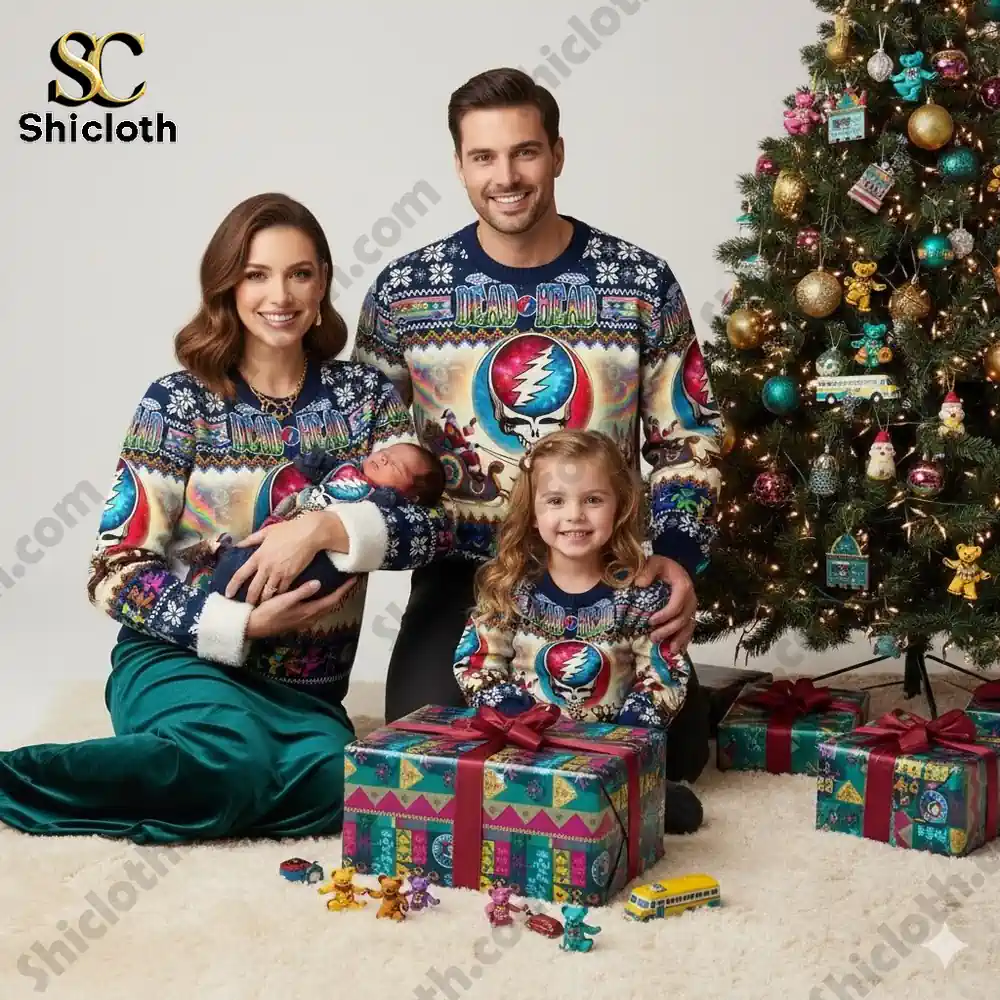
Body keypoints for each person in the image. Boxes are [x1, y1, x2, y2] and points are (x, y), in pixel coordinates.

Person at [0, 192, 451, 844]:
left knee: (344, 785)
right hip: (182, 661)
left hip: (306, 690)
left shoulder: (364, 399)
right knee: (230, 760)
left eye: (299, 273)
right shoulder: (177, 403)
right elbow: (112, 570)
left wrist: (323, 528)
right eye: (256, 274)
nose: (280, 295)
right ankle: (17, 778)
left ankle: (197, 779)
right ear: (227, 286)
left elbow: (431, 530)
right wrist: (241, 624)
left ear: (322, 281)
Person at [354, 67, 722, 786]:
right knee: (437, 742)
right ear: (459, 165)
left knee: (675, 755)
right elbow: (367, 447)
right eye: (484, 157)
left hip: (604, 574)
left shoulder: (639, 284)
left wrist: (678, 554)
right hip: (466, 576)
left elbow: (690, 435)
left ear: (557, 153)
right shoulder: (404, 293)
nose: (507, 176)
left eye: (525, 152)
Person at [453, 430, 704, 833]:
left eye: (593, 500)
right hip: (528, 747)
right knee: (478, 797)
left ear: (619, 507)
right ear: (533, 513)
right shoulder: (510, 590)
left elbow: (664, 670)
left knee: (679, 813)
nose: (574, 515)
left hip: (611, 751)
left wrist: (629, 735)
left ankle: (637, 795)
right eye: (556, 501)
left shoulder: (641, 595)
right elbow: (477, 661)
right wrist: (515, 716)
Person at [207, 441, 446, 602]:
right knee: (253, 553)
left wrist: (328, 528)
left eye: (395, 465)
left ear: (410, 496)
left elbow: (433, 529)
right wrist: (314, 464)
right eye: (386, 452)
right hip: (289, 521)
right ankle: (226, 558)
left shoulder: (382, 500)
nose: (384, 458)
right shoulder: (348, 470)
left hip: (317, 558)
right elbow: (326, 469)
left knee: (243, 575)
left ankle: (229, 571)